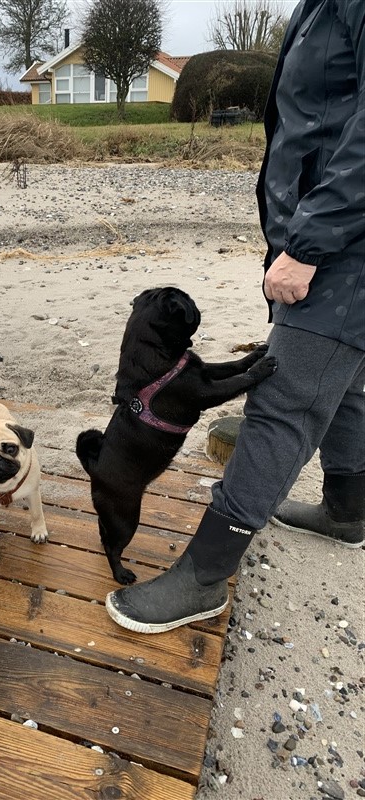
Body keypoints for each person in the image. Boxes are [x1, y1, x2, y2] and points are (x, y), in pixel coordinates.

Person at [106, 0, 365, 634]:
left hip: (346, 245)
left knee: (285, 399)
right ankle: (349, 509)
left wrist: (310, 243)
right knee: (349, 379)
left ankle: (204, 575)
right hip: (332, 229)